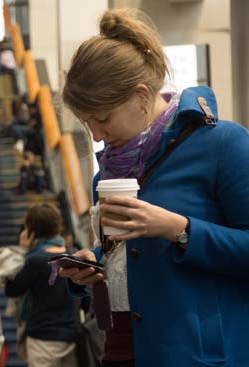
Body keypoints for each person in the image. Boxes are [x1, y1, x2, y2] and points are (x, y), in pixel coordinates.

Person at [58, 8, 249, 367]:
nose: (97, 135)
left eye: (102, 118)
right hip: (122, 350)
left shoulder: (223, 144)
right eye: (87, 124)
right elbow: (136, 260)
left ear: (142, 96)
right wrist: (93, 266)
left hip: (198, 356)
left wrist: (178, 229)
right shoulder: (109, 174)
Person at [5, 203, 82, 367]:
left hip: (42, 339)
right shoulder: (74, 254)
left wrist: (22, 250)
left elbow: (12, 289)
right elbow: (86, 300)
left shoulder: (35, 260)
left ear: (32, 232)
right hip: (72, 337)